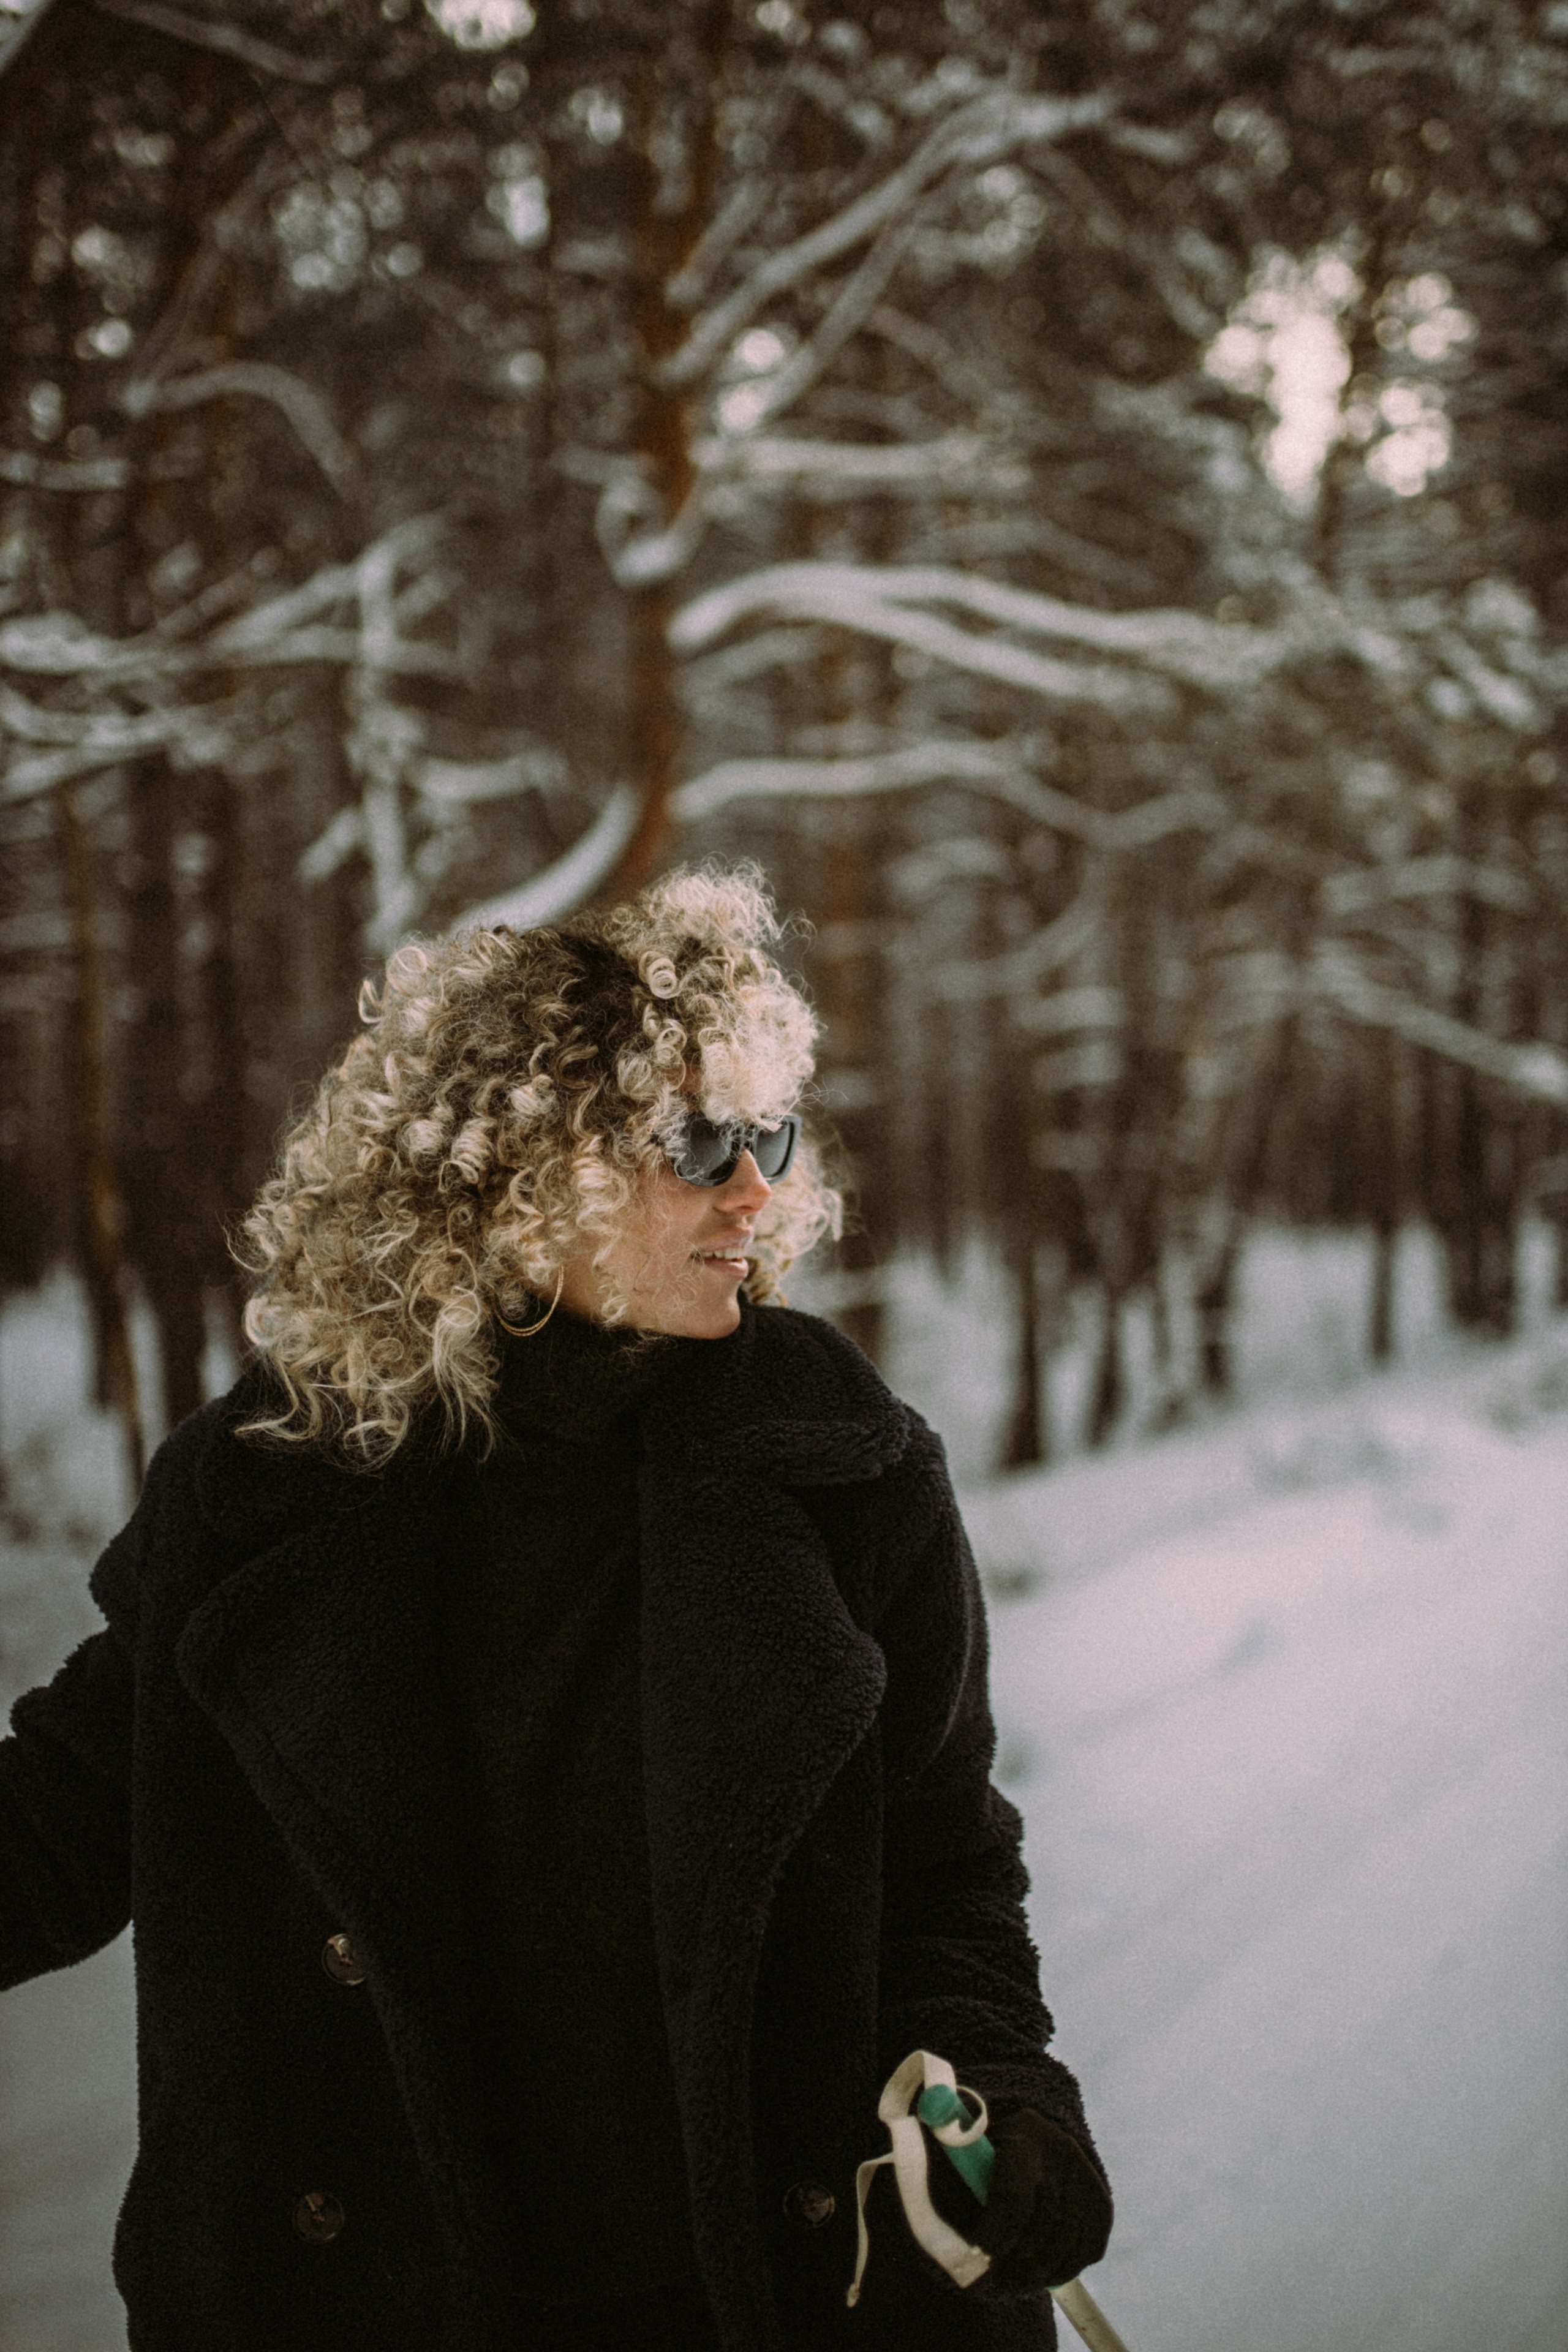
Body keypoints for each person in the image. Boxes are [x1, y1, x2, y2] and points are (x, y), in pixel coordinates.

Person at [0, 866, 1112, 2352]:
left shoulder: (842, 1469)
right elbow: (56, 1824)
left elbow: (946, 1877)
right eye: (698, 1141)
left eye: (767, 1134)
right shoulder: (264, 1493)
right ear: (516, 1171)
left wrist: (1008, 2102)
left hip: (775, 2306)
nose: (756, 1191)